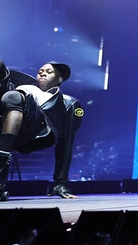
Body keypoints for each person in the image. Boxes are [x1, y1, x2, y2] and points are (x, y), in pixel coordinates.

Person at [0, 60, 83, 201]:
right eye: (40, 72)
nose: (43, 73)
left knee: (12, 96)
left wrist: (61, 182)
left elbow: (66, 141)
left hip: (37, 130)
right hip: (10, 121)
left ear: (60, 79)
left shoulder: (69, 103)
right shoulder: (25, 85)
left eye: (49, 72)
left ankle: (1, 156)